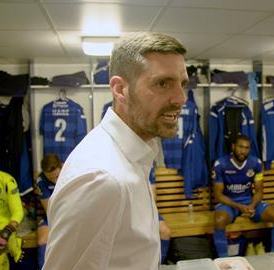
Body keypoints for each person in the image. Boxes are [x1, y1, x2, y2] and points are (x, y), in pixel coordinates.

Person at [43, 32, 188, 269]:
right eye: (163, 83)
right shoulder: (102, 178)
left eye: (183, 84)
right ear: (120, 89)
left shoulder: (132, 156)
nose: (181, 99)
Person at [212, 135, 274, 257]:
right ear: (233, 146)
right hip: (229, 203)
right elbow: (218, 195)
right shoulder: (220, 164)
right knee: (219, 221)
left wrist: (252, 206)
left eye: (247, 148)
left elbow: (259, 191)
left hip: (249, 202)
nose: (243, 151)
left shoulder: (256, 163)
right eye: (240, 147)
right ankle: (224, 260)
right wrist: (238, 206)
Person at [34, 153, 62, 269]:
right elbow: (48, 210)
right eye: (49, 178)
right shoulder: (40, 180)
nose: (54, 181)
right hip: (51, 215)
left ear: (60, 167)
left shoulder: (70, 172)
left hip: (70, 214)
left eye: (56, 177)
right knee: (42, 241)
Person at [149, 165, 172, 264]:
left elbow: (153, 196)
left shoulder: (148, 167)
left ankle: (159, 264)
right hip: (127, 211)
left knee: (165, 231)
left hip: (147, 209)